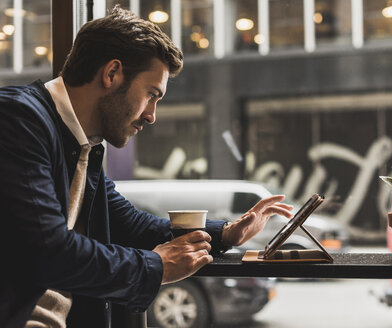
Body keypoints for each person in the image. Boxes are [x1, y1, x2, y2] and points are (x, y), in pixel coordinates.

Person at [0, 6, 293, 328]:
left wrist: (224, 233)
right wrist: (156, 266)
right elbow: (46, 249)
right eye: (151, 94)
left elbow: (127, 224)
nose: (152, 115)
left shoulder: (82, 145)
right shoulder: (17, 118)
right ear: (112, 74)